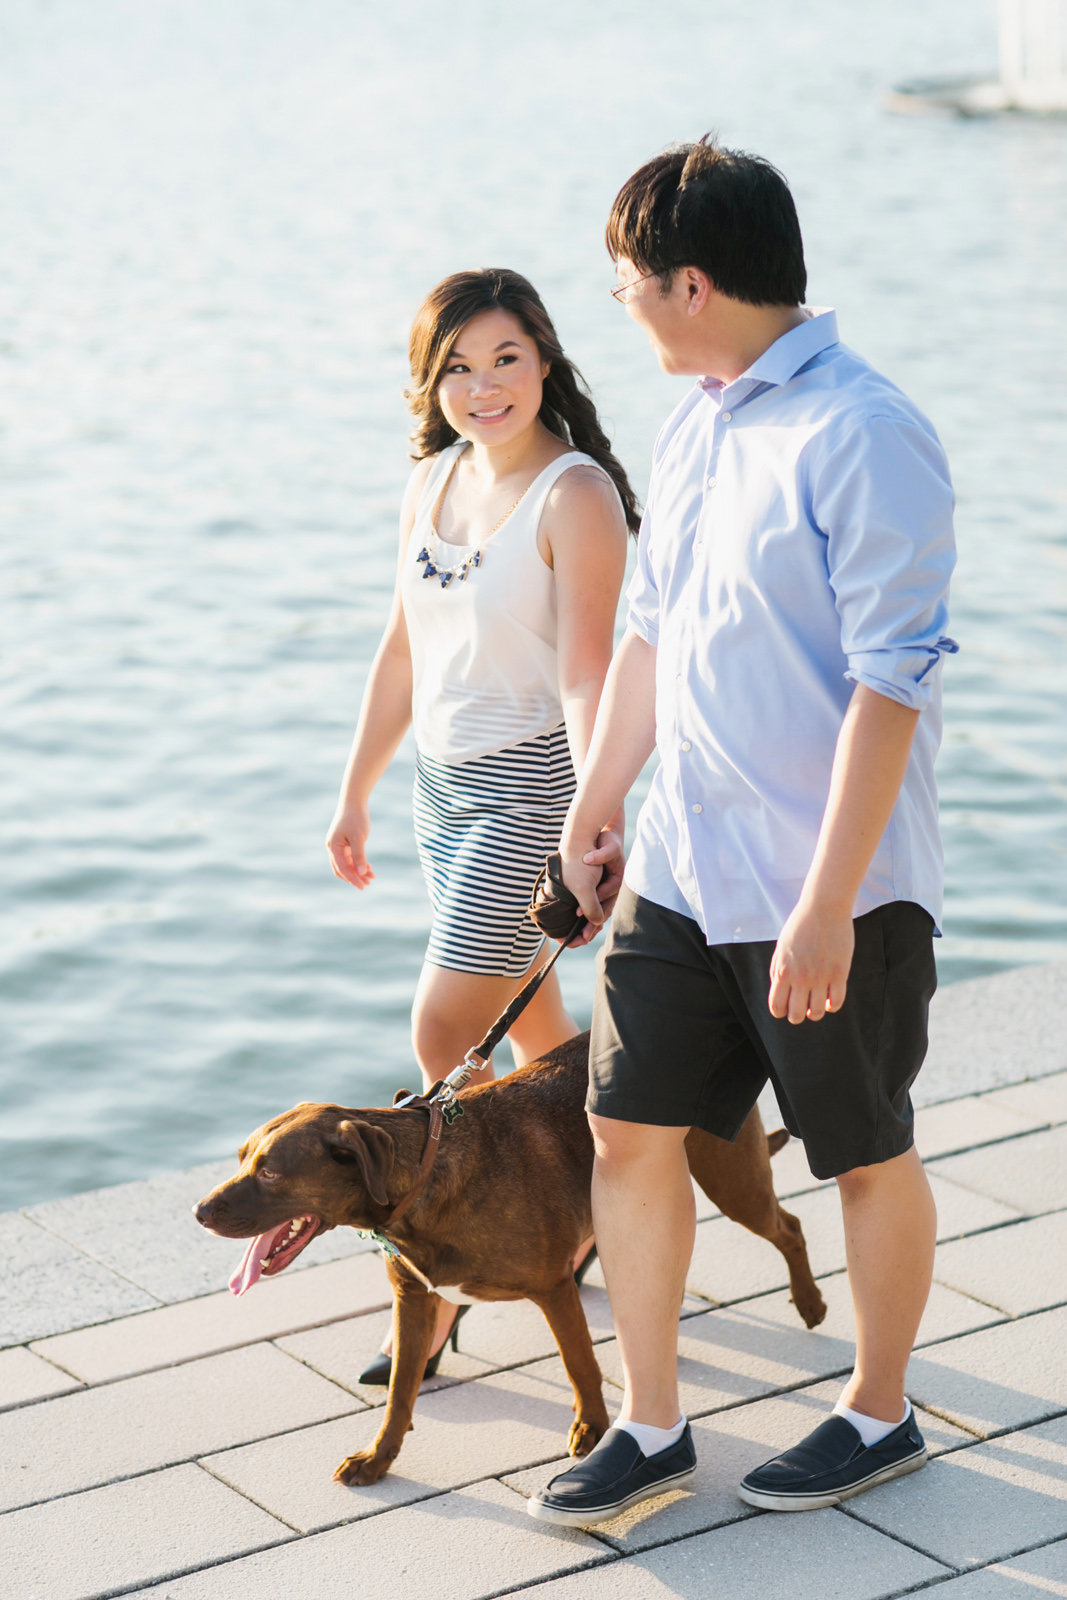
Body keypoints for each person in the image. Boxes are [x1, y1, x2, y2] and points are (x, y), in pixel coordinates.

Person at [527, 139, 957, 1527]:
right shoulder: (695, 417)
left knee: (860, 1147)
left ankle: (876, 1411)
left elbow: (893, 679)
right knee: (626, 1132)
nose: (623, 309)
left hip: (826, 883)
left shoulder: (862, 430)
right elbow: (650, 630)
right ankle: (651, 1429)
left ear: (690, 284)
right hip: (679, 869)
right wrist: (595, 815)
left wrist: (828, 901)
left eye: (627, 286)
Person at [326, 268, 636, 1381]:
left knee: (441, 1030)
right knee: (534, 1027)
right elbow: (404, 646)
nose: (482, 384)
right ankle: (610, 1197)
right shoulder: (431, 481)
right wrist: (356, 786)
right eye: (456, 365)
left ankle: (442, 1270)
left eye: (504, 357)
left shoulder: (574, 496)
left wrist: (590, 821)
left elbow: (591, 681)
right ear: (431, 380)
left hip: (529, 789)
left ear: (544, 356)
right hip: (438, 791)